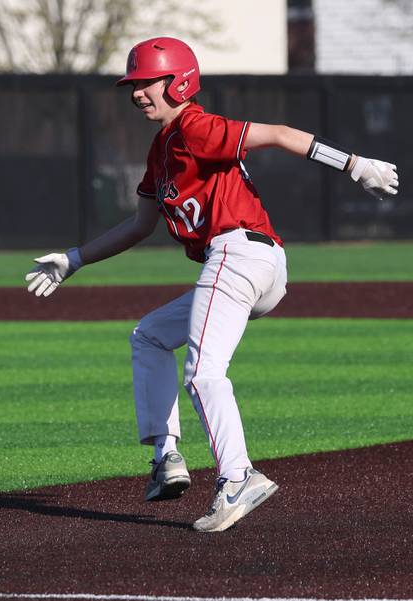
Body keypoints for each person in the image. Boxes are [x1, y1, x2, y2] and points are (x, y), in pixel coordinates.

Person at [25, 37, 398, 532]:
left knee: (202, 374)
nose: (137, 93)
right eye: (133, 85)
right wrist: (74, 258)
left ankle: (239, 477)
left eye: (146, 82)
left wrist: (354, 165)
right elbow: (139, 227)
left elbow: (283, 134)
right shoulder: (162, 149)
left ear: (178, 82)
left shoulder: (196, 127)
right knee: (151, 335)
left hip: (238, 251)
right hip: (254, 265)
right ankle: (166, 458)